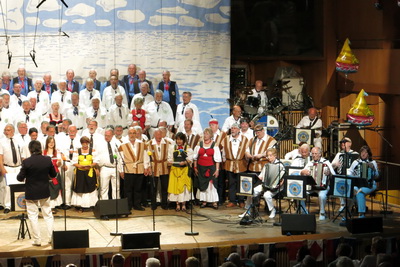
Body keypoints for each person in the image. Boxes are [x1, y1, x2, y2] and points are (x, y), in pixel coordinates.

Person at [17, 140, 56, 246]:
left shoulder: (27, 162)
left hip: (31, 192)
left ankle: (37, 240)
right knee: (48, 215)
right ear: (40, 149)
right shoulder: (47, 160)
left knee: (33, 216)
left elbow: (20, 178)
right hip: (44, 191)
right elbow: (54, 174)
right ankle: (51, 238)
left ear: (30, 150)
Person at [242, 148, 285, 219]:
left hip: (276, 187)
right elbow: (261, 176)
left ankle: (272, 210)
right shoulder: (266, 165)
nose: (269, 157)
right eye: (268, 156)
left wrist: (279, 183)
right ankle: (248, 210)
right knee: (251, 192)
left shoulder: (280, 165)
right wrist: (258, 177)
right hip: (265, 185)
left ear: (275, 156)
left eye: (271, 155)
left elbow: (283, 178)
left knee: (266, 195)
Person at [118, 127, 150, 211]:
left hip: (139, 168)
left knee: (138, 188)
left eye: (134, 133)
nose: (132, 135)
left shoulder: (142, 144)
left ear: (136, 134)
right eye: (130, 133)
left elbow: (145, 156)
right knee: (128, 189)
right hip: (128, 169)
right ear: (128, 134)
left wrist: (146, 167)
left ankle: (137, 204)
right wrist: (121, 170)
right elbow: (120, 158)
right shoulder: (123, 145)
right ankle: (128, 205)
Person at [300, 146, 335, 220]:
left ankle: (322, 212)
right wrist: (303, 172)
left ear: (320, 154)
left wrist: (329, 173)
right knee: (299, 192)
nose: (314, 155)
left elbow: (334, 175)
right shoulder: (310, 163)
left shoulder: (326, 162)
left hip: (323, 186)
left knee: (322, 195)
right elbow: (302, 172)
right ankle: (303, 211)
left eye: (316, 153)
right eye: (312, 153)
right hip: (312, 187)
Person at [0, 124, 28, 213]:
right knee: (8, 187)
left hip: (19, 167)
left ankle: (20, 204)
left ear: (12, 131)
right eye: (5, 130)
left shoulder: (19, 141)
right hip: (8, 167)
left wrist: (25, 167)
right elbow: (0, 157)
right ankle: (7, 205)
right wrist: (2, 168)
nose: (6, 132)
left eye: (8, 130)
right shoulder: (2, 142)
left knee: (21, 185)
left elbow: (23, 155)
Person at [221, 123, 249, 208]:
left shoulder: (245, 139)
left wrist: (246, 163)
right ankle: (232, 200)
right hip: (230, 164)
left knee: (241, 183)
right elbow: (223, 152)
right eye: (232, 128)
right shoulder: (226, 139)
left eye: (235, 128)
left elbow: (247, 152)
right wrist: (224, 161)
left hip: (241, 164)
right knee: (231, 183)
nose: (233, 130)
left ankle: (241, 201)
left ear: (239, 130)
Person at [193, 127, 221, 209]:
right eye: (204, 133)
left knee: (211, 185)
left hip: (211, 168)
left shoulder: (214, 144)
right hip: (201, 168)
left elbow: (217, 159)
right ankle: (204, 201)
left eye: (207, 134)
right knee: (202, 184)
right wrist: (195, 167)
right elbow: (195, 157)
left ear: (211, 135)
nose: (205, 135)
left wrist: (217, 170)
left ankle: (214, 202)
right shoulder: (199, 144)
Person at [349, 145, 379, 218]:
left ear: (368, 154)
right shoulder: (355, 162)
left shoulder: (373, 162)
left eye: (365, 152)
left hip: (370, 185)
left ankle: (361, 214)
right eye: (362, 152)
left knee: (360, 192)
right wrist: (353, 175)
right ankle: (348, 213)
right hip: (358, 184)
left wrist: (374, 169)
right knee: (351, 191)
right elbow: (349, 172)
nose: (363, 154)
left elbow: (377, 176)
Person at [331, 137, 359, 213]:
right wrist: (335, 164)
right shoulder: (339, 154)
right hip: (342, 176)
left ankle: (350, 205)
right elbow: (331, 166)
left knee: (354, 188)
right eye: (342, 142)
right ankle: (343, 205)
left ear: (350, 144)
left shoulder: (356, 154)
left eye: (345, 142)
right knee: (339, 182)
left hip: (352, 178)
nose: (342, 143)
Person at [71, 136, 99, 211]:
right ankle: (79, 204)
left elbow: (96, 161)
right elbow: (74, 162)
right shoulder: (78, 151)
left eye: (86, 143)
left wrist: (90, 165)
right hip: (80, 172)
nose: (85, 145)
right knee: (80, 187)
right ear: (81, 144)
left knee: (90, 186)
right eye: (83, 143)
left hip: (89, 172)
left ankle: (90, 204)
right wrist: (80, 166)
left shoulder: (92, 151)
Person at [167, 132, 193, 212]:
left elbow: (190, 159)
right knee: (175, 187)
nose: (179, 141)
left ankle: (184, 204)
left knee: (184, 187)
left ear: (183, 140)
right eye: (177, 139)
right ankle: (177, 204)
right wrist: (170, 162)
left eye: (180, 139)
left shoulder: (187, 148)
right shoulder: (172, 148)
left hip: (184, 170)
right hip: (175, 170)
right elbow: (169, 158)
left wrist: (185, 162)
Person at [147, 128, 171, 210]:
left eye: (160, 134)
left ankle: (164, 203)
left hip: (164, 166)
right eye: (157, 134)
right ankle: (153, 204)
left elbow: (170, 154)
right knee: (153, 187)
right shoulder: (149, 144)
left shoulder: (167, 143)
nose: (159, 136)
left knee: (165, 186)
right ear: (154, 135)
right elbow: (146, 157)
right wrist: (148, 167)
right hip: (154, 166)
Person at [43, 136, 63, 213]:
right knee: (47, 190)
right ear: (47, 143)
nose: (51, 144)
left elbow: (59, 163)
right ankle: (47, 206)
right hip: (46, 174)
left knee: (55, 189)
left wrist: (59, 163)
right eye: (50, 142)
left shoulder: (57, 152)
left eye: (53, 142)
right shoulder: (43, 152)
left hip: (55, 174)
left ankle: (53, 206)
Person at [98, 128, 119, 200]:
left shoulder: (117, 143)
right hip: (105, 168)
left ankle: (116, 204)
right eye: (105, 135)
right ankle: (105, 204)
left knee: (116, 187)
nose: (106, 137)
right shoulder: (100, 144)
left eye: (108, 135)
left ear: (113, 135)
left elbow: (120, 156)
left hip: (115, 168)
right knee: (104, 188)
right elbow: (97, 156)